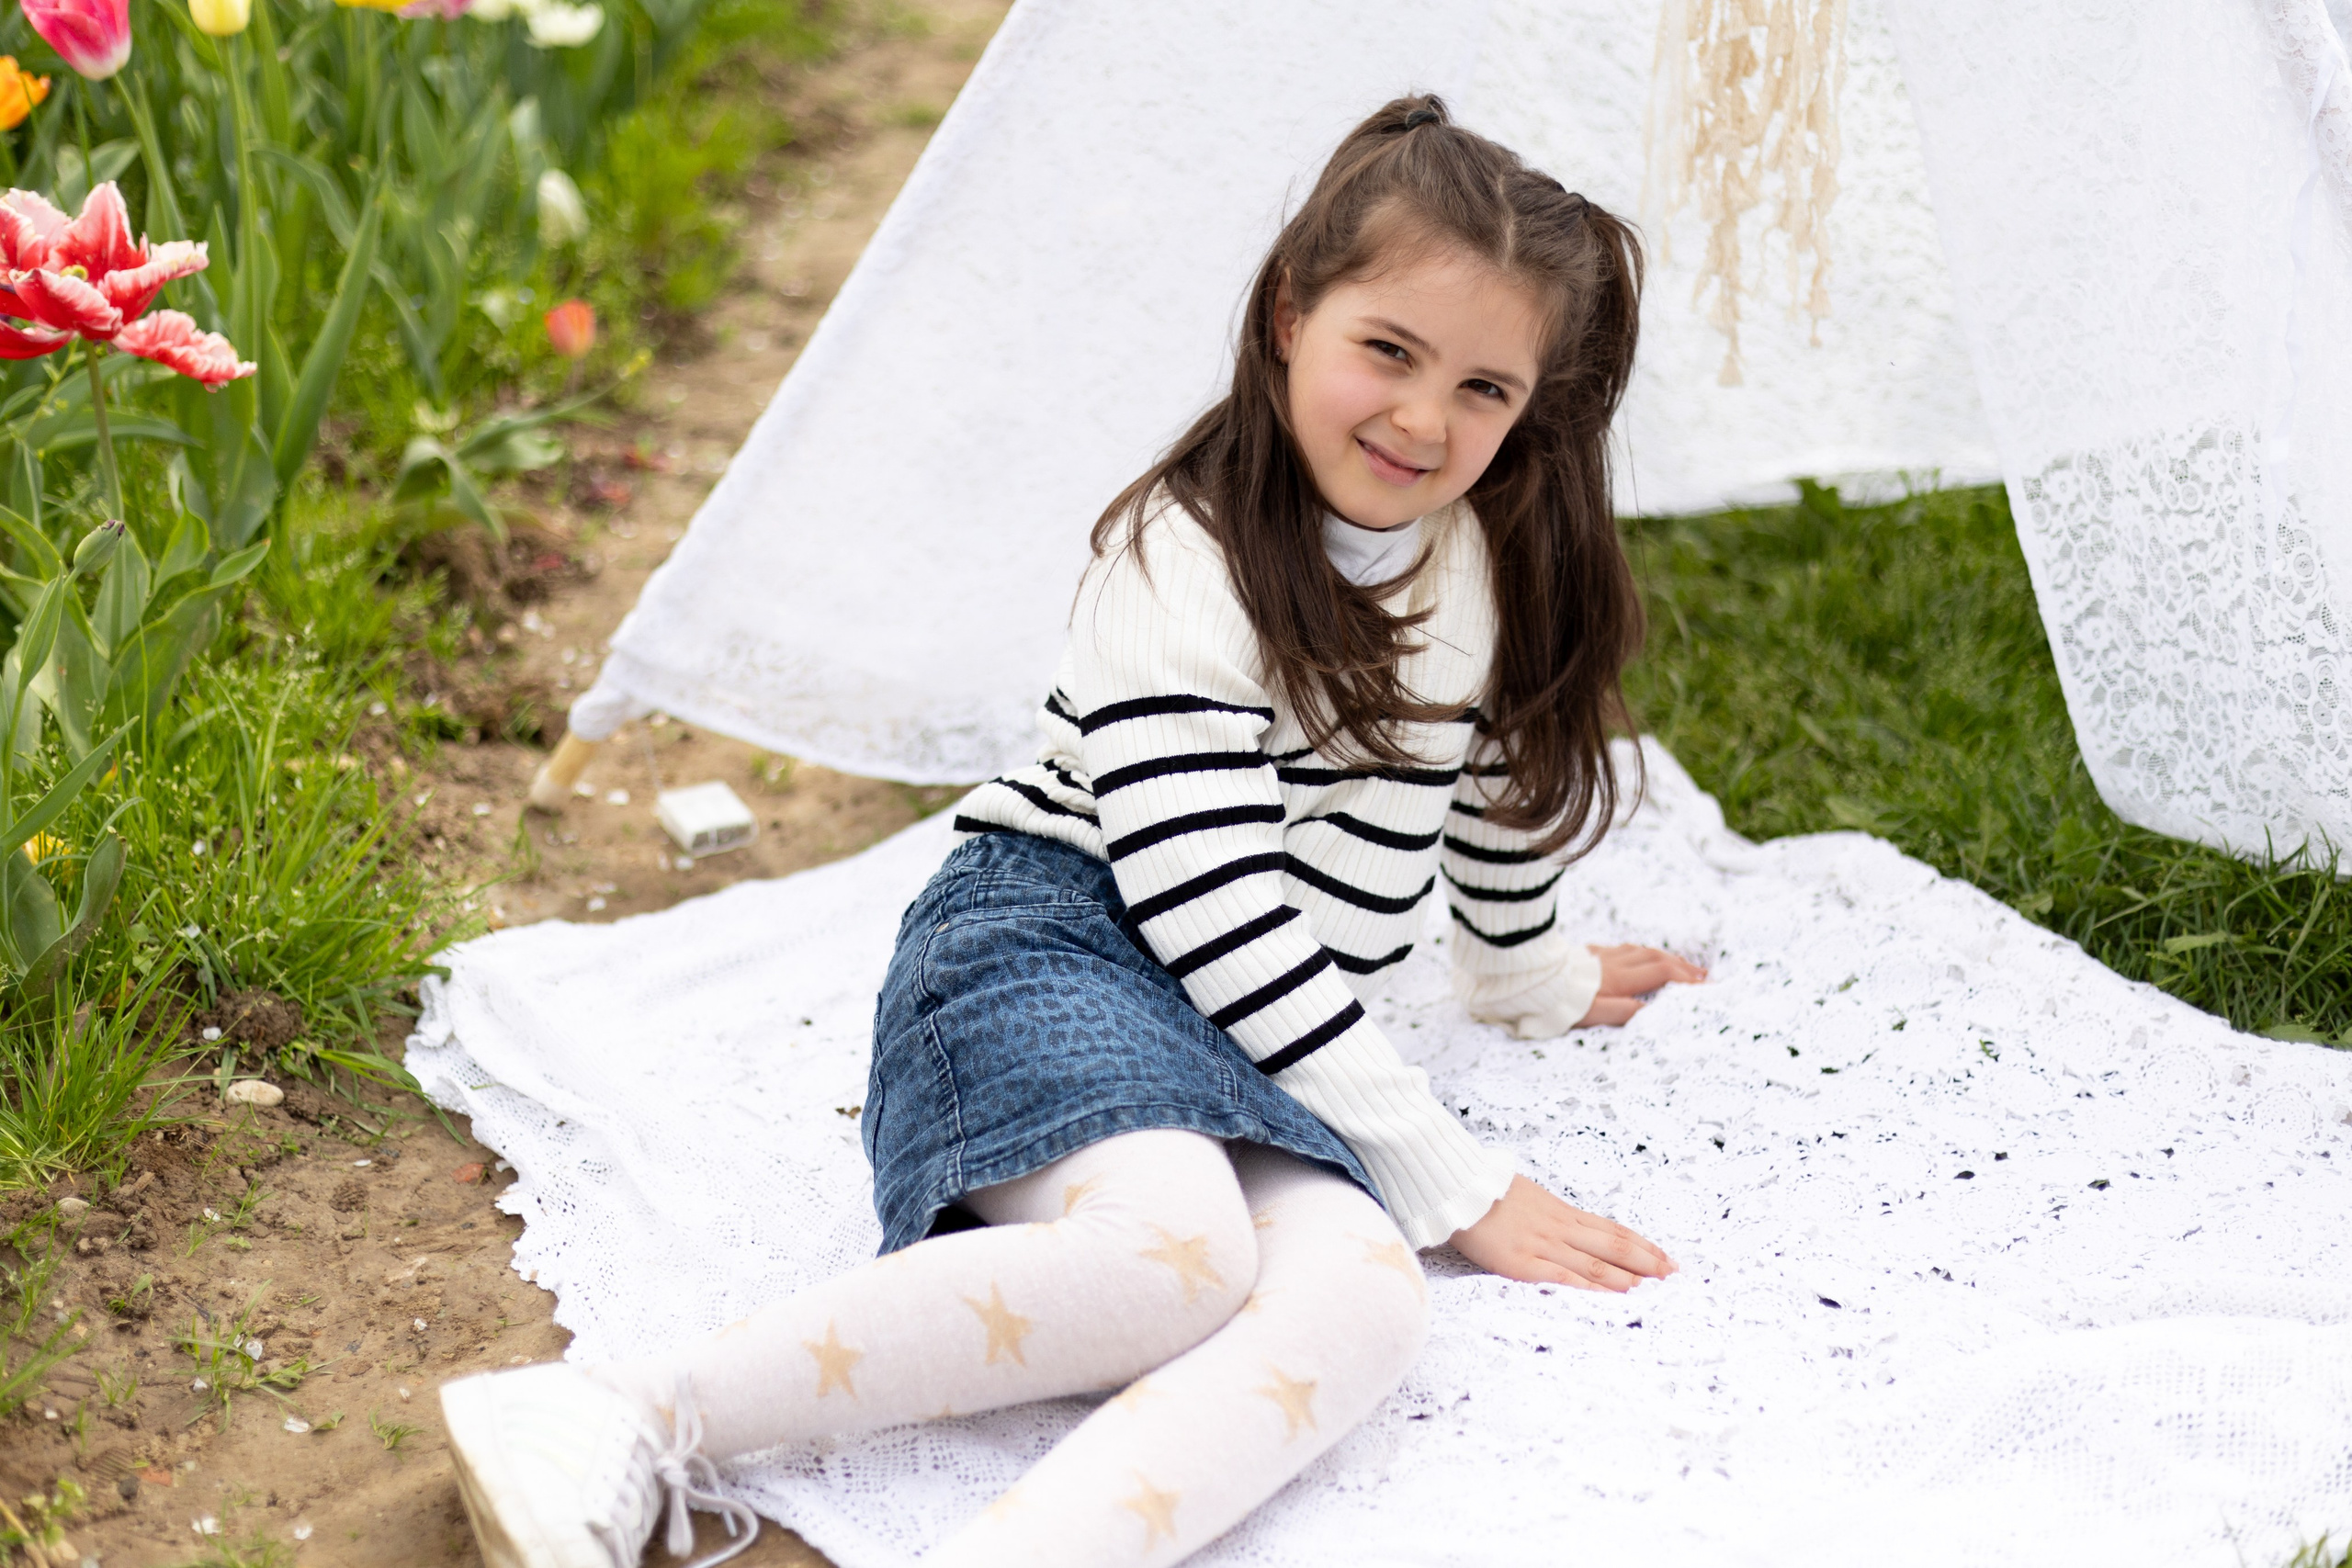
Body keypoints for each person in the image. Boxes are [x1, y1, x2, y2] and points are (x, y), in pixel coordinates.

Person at [439, 94, 1707, 1568]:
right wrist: (1454, 1174)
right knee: (1175, 1262)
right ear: (1292, 312)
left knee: (1365, 1298)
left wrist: (1528, 976)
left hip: (1245, 1028)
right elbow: (1214, 904)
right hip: (1057, 946)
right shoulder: (1185, 560)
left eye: (1486, 388)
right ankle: (619, 1415)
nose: (1427, 419)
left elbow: (1482, 789)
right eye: (1390, 351)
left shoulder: (1474, 559)